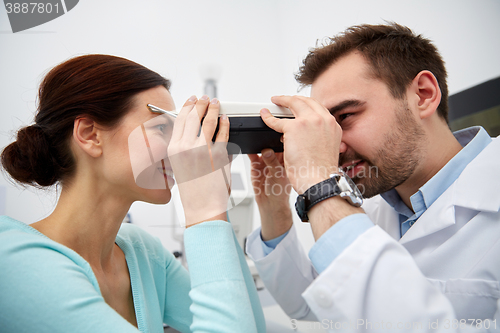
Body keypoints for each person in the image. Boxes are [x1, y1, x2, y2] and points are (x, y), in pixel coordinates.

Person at [246, 23, 500, 330]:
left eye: (345, 117)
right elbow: (308, 302)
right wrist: (274, 205)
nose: (333, 146)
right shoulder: (377, 207)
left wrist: (320, 186)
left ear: (423, 95)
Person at [0, 54, 265, 333]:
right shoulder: (15, 261)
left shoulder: (141, 252)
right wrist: (204, 214)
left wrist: (223, 211)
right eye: (162, 127)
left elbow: (252, 327)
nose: (178, 148)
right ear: (90, 134)